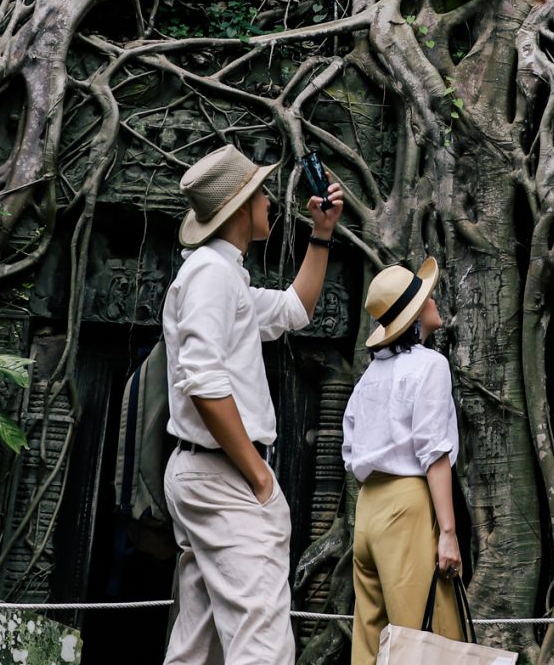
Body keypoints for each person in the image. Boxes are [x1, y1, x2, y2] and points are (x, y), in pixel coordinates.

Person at [162, 143, 343, 665]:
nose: (269, 201)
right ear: (241, 206)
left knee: (199, 645)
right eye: (261, 192)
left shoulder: (223, 275)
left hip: (208, 474)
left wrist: (322, 233)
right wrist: (258, 477)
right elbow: (203, 380)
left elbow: (293, 308)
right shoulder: (210, 275)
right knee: (262, 643)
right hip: (224, 477)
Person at [341, 257, 464, 665]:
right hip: (407, 506)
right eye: (426, 298)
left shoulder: (368, 377)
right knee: (421, 640)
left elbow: (350, 449)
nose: (433, 300)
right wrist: (447, 531)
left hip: (368, 509)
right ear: (414, 318)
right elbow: (434, 453)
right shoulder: (430, 365)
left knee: (370, 644)